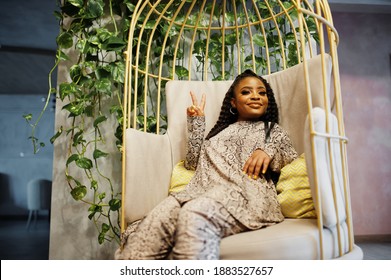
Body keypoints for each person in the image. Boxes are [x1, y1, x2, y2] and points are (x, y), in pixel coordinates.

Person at [115, 69, 298, 260]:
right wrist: (197, 123)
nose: (256, 96)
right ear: (233, 103)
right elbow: (193, 163)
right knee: (157, 217)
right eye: (246, 92)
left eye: (262, 93)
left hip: (245, 195)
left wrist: (267, 150)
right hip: (197, 193)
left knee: (195, 213)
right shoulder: (216, 135)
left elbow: (289, 158)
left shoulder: (271, 130)